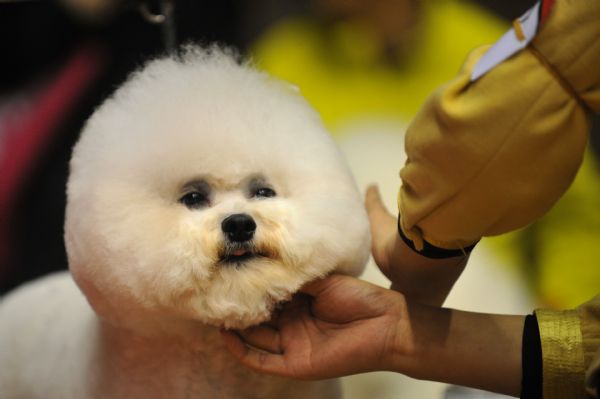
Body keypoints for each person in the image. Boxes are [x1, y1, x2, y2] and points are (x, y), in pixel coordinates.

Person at [221, 0, 600, 397]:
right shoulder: (281, 59)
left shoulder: (487, 41)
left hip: (494, 316)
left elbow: (574, 217)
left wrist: (556, 305)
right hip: (328, 330)